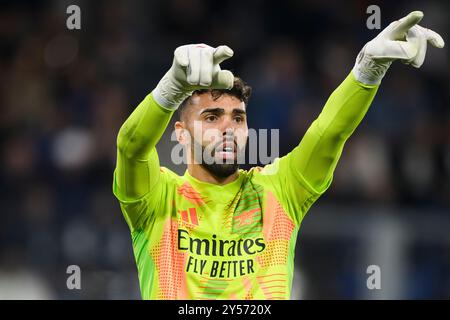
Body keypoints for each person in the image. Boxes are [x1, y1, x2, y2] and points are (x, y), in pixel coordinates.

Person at [113, 11, 444, 299]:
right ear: (181, 134)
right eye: (212, 117)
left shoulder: (278, 189)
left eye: (238, 118)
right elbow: (131, 147)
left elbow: (328, 134)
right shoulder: (156, 198)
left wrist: (368, 70)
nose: (228, 128)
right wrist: (170, 88)